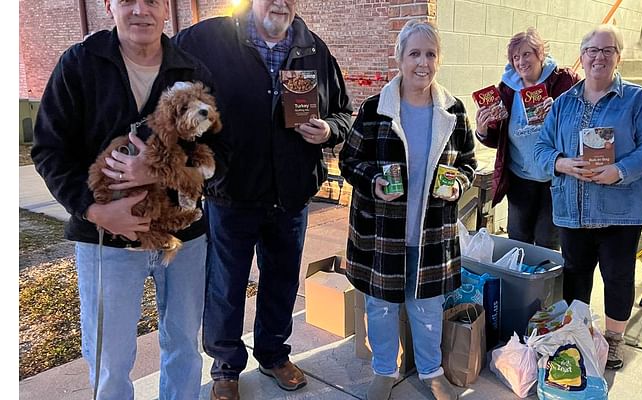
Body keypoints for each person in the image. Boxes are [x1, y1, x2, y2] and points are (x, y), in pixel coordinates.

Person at [31, 0, 213, 398]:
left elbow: (223, 151)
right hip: (106, 240)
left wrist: (166, 171)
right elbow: (48, 149)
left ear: (166, 8)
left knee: (185, 345)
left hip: (184, 238)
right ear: (108, 5)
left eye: (152, 1)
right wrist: (94, 210)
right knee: (110, 358)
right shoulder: (79, 64)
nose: (140, 10)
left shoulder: (192, 70)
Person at [173, 0, 354, 398]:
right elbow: (162, 70)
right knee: (226, 285)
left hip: (290, 194)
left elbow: (344, 113)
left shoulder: (313, 49)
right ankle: (225, 368)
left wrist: (328, 131)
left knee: (282, 281)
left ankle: (273, 354)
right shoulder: (210, 39)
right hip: (232, 194)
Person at [339, 19, 477, 400]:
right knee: (381, 307)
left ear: (439, 60)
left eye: (430, 54)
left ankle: (432, 372)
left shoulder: (454, 111)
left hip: (432, 231)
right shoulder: (374, 109)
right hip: (382, 231)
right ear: (399, 58)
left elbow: (467, 161)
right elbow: (349, 160)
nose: (423, 62)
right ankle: (385, 370)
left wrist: (459, 184)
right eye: (414, 53)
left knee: (427, 307)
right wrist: (373, 181)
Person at [533, 24, 642, 370]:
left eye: (608, 50)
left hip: (618, 209)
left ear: (618, 57)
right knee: (575, 273)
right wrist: (561, 163)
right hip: (571, 207)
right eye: (592, 50)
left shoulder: (636, 100)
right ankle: (577, 332)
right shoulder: (562, 103)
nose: (599, 57)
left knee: (618, 275)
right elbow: (541, 148)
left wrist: (618, 170)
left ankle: (614, 339)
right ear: (582, 55)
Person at [474, 27, 580, 250]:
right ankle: (520, 285)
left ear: (540, 54)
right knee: (517, 241)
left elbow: (583, 120)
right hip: (519, 177)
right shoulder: (506, 89)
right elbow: (497, 138)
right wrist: (483, 129)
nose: (521, 61)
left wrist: (559, 114)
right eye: (515, 57)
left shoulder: (564, 81)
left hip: (554, 178)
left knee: (546, 243)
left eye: (526, 54)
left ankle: (543, 286)